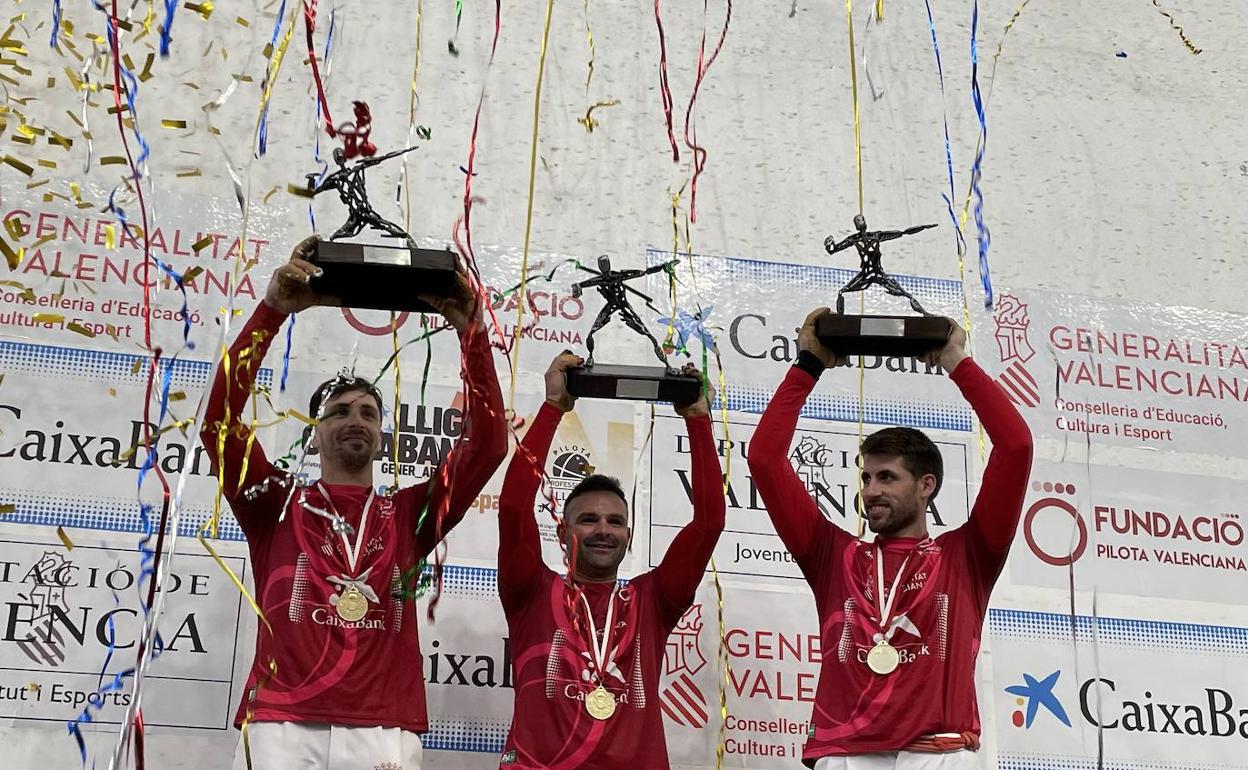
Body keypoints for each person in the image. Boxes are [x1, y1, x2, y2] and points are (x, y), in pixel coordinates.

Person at [201, 235, 507, 770]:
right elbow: (219, 422)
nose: (355, 419)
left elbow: (488, 445)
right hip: (281, 724)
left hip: (383, 726)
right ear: (314, 435)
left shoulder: (411, 515)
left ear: (383, 436)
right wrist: (272, 310)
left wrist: (471, 329)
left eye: (368, 412)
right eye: (340, 411)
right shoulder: (272, 505)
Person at [747, 309, 1033, 770]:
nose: (871, 490)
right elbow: (764, 458)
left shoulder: (968, 554)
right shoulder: (832, 555)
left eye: (887, 477)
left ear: (926, 486)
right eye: (865, 477)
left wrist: (956, 360)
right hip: (845, 754)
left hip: (938, 752)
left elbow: (1016, 446)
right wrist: (808, 365)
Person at [495, 352, 725, 769]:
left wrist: (697, 418)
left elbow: (709, 522)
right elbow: (513, 506)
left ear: (629, 536)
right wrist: (553, 408)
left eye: (615, 521)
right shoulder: (529, 589)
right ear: (564, 534)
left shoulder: (654, 600)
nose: (604, 529)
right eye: (588, 519)